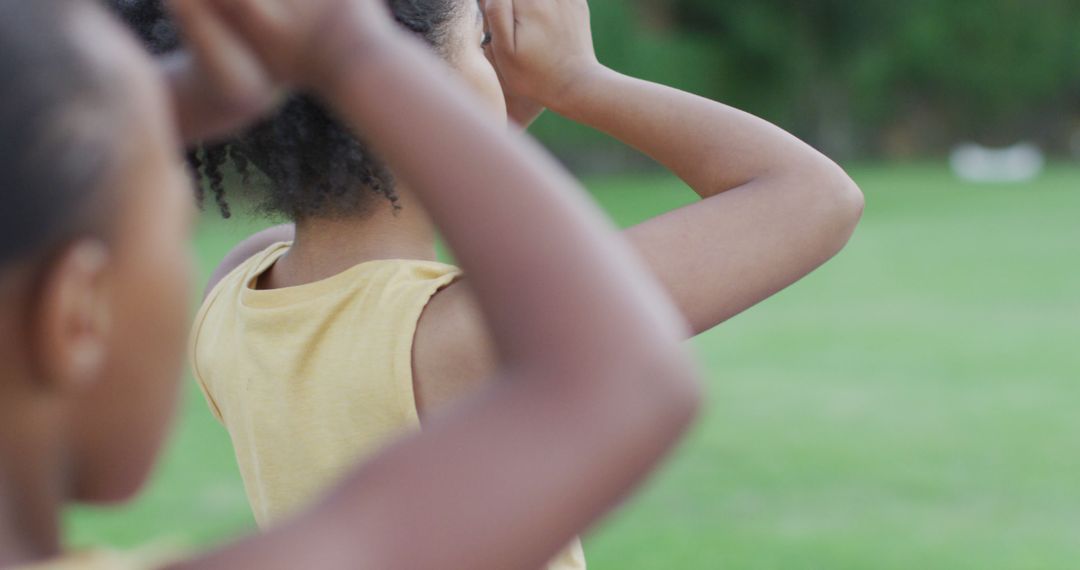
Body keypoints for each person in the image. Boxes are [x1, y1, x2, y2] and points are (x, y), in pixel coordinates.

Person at [114, 1, 864, 566]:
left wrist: (473, 103)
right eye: (480, 41)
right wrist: (577, 82)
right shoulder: (456, 340)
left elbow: (407, 206)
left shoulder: (235, 295)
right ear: (401, 87)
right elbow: (810, 197)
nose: (497, 64)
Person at [0, 0, 701, 568]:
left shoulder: (248, 287)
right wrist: (347, 46)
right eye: (174, 229)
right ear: (77, 315)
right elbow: (625, 377)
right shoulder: (431, 328)